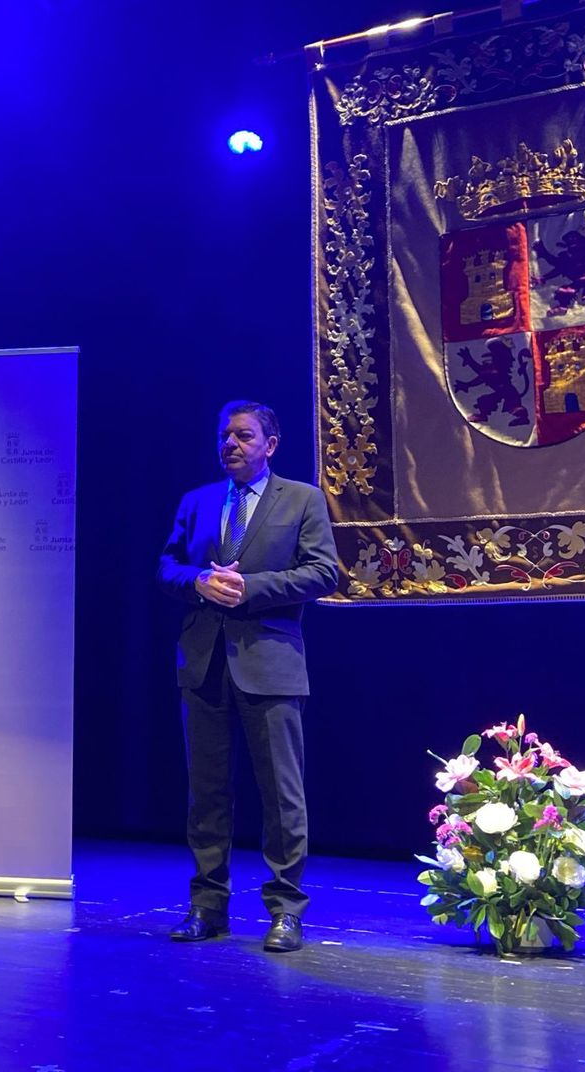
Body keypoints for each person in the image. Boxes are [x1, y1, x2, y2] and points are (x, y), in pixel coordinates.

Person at [157, 400, 339, 952]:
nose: (230, 445)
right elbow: (167, 567)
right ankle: (207, 906)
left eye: (243, 435)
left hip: (271, 664)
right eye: (224, 436)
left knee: (281, 796)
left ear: (270, 444)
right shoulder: (197, 501)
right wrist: (197, 583)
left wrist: (249, 589)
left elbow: (324, 571)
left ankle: (286, 911)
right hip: (204, 663)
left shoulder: (303, 499)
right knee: (206, 794)